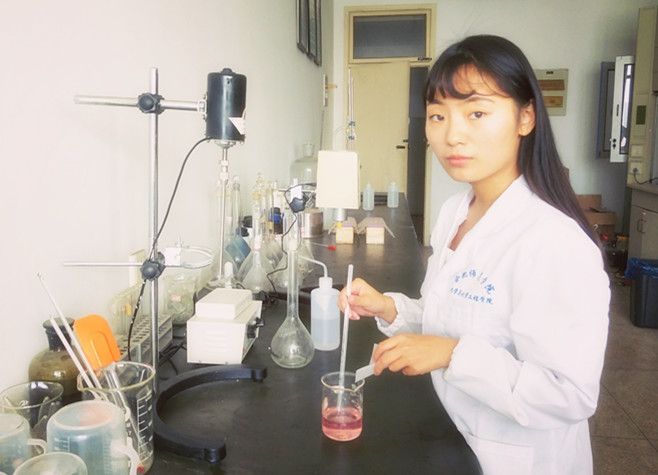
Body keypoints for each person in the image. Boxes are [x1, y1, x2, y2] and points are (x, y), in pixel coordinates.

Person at [338, 35, 610, 475]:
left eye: (477, 113)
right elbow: (450, 317)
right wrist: (387, 307)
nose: (452, 135)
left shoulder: (554, 242)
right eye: (437, 116)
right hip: (451, 438)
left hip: (516, 460)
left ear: (525, 118)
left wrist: (453, 355)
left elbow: (569, 394)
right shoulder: (455, 211)